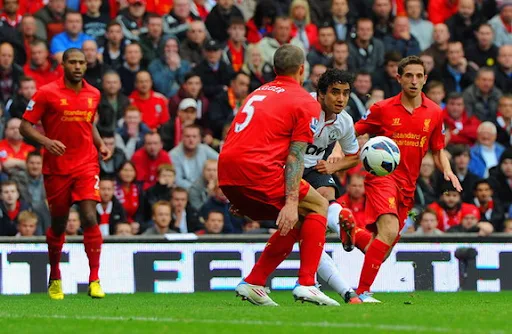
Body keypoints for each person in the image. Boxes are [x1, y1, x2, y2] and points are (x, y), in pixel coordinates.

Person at [218, 44, 338, 306]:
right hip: (256, 170)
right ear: (302, 69)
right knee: (317, 205)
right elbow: (295, 155)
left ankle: (254, 281)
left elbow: (239, 134)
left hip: (227, 170)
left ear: (274, 69)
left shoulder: (258, 92)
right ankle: (307, 283)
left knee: (296, 222)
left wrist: (237, 190)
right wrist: (292, 202)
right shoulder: (305, 102)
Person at [341, 56, 462, 301]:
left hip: (408, 185)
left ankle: (354, 233)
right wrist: (337, 148)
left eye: (419, 76)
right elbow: (352, 130)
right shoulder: (382, 109)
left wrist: (447, 170)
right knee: (388, 232)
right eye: (409, 75)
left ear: (425, 79)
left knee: (382, 248)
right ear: (399, 78)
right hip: (382, 178)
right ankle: (362, 292)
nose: (414, 81)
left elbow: (438, 150)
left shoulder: (435, 113)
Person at [20, 48, 111, 300]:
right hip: (57, 168)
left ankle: (94, 279)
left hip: (86, 165)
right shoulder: (46, 93)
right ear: (63, 64)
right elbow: (24, 126)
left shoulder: (94, 93)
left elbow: (88, 123)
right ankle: (55, 275)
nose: (78, 67)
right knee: (59, 224)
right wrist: (46, 142)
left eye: (82, 62)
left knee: (90, 216)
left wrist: (100, 144)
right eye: (73, 62)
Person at [302, 68, 361, 304]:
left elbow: (354, 156)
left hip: (315, 169)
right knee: (307, 228)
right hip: (286, 169)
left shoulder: (344, 121)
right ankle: (347, 291)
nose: (341, 99)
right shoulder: (303, 108)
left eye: (345, 94)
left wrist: (333, 168)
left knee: (324, 197)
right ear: (320, 93)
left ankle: (343, 229)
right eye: (335, 92)